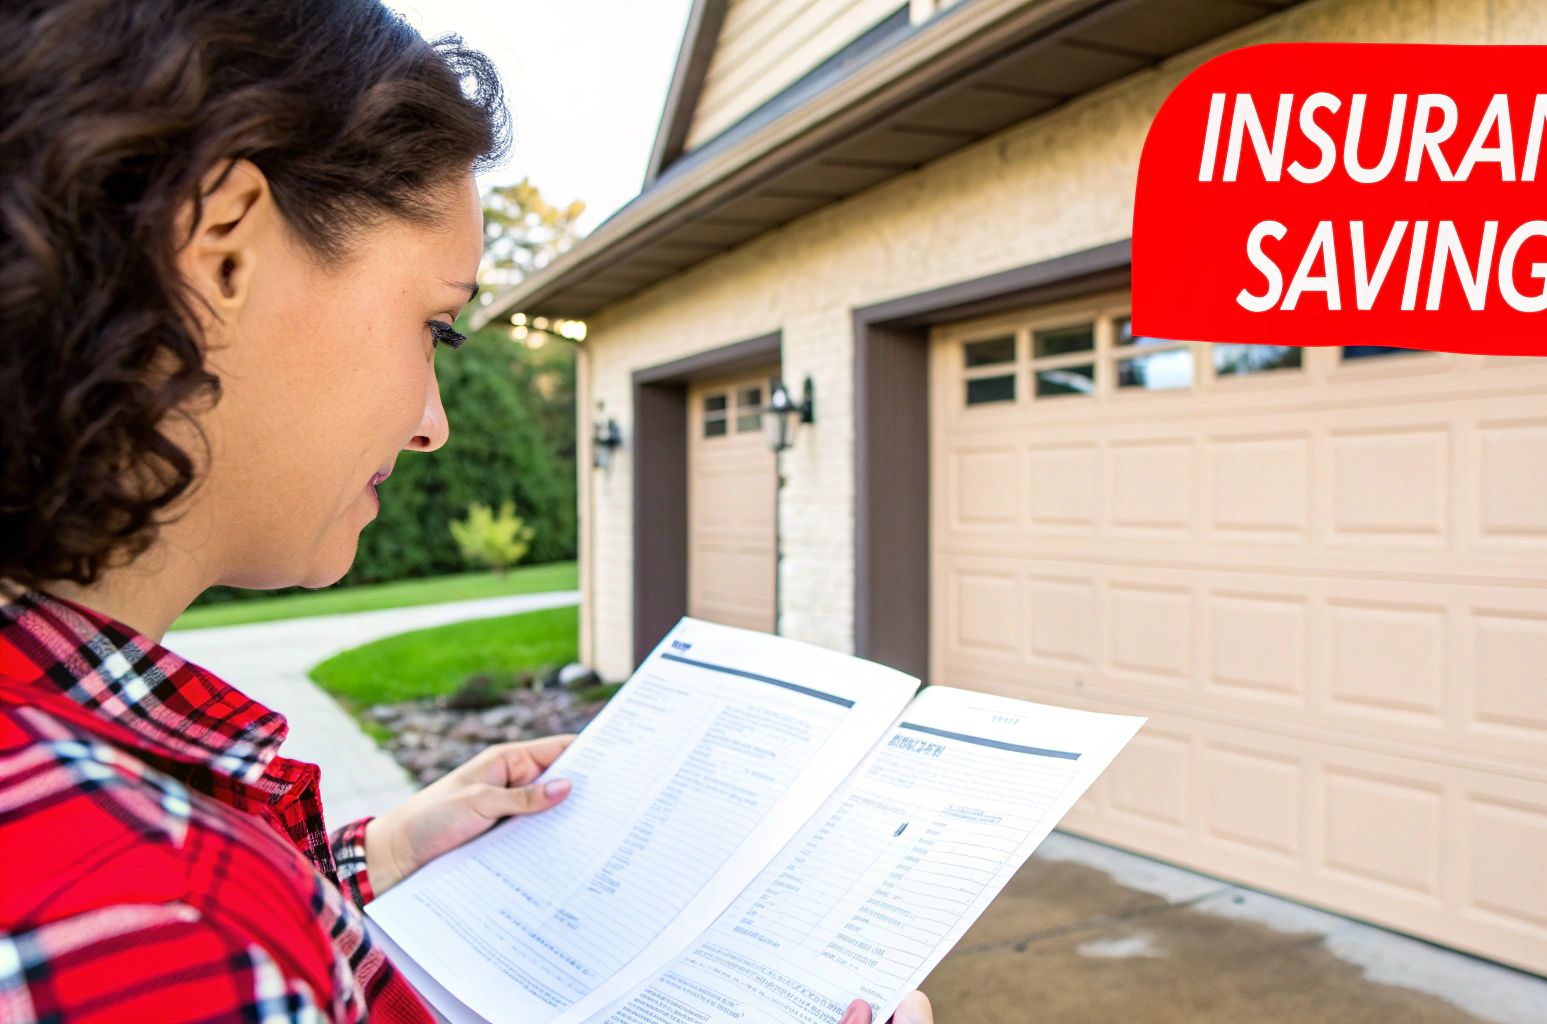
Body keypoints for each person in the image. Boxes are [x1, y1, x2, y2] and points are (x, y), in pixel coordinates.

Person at [0, 3, 934, 1022]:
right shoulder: (162, 933)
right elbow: (199, 935)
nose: (433, 426)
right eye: (435, 328)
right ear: (222, 249)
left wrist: (392, 846)